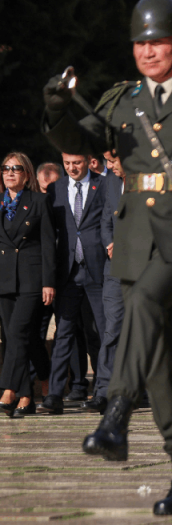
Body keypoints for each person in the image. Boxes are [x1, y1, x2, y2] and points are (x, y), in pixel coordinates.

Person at [41, 0, 172, 514]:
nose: (149, 51)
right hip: (135, 237)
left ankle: (114, 414)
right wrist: (56, 110)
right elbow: (81, 141)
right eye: (140, 43)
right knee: (156, 360)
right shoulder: (124, 100)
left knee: (143, 304)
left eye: (158, 41)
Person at [38, 152, 107, 415]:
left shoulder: (103, 184)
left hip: (98, 270)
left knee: (101, 333)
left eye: (76, 163)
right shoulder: (56, 188)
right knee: (63, 334)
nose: (71, 168)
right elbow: (49, 231)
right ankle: (54, 394)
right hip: (67, 272)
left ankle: (102, 392)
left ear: (88, 161)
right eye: (67, 164)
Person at [0, 153, 55, 418]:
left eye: (16, 168)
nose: (10, 172)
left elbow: (48, 245)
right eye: (5, 168)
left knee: (19, 332)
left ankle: (10, 388)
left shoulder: (38, 201)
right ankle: (27, 396)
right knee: (21, 337)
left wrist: (48, 282)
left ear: (27, 174)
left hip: (32, 279)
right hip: (4, 278)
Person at [86, 149, 125, 414]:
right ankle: (103, 391)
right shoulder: (110, 180)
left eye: (113, 161)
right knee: (112, 328)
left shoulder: (151, 178)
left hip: (147, 264)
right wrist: (109, 242)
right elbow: (105, 218)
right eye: (106, 161)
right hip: (116, 266)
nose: (108, 166)